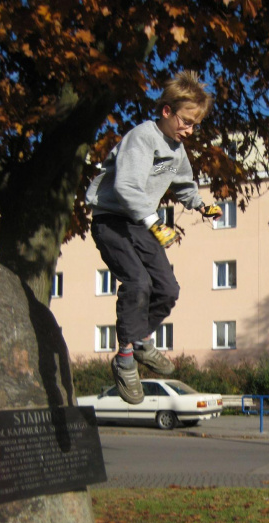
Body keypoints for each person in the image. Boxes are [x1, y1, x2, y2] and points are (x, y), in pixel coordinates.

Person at [86, 71, 222, 405]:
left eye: (195, 125)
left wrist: (201, 205)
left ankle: (143, 340)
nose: (189, 130)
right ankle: (126, 357)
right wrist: (154, 222)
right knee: (137, 283)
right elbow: (126, 187)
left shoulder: (176, 149)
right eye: (186, 122)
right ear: (166, 111)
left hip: (140, 224)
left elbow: (185, 184)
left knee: (167, 288)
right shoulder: (142, 138)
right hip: (112, 220)